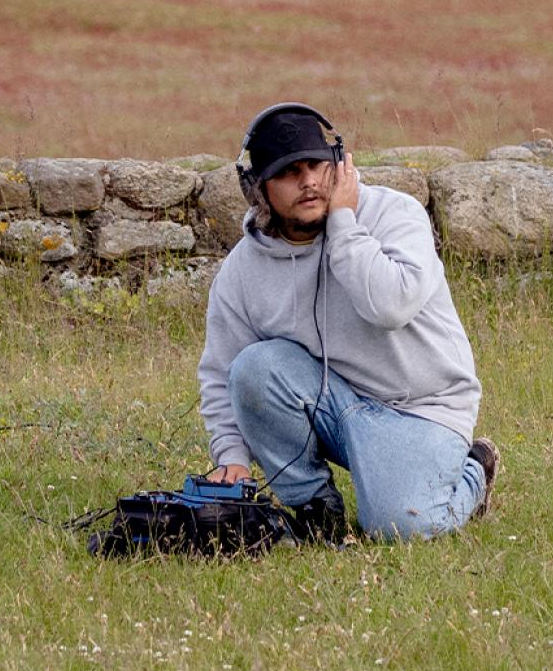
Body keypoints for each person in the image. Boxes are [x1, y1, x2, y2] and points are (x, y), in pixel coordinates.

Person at [197, 103, 496, 542]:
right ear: (256, 188)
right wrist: (232, 457)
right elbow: (222, 374)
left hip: (423, 409)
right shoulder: (242, 270)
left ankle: (474, 471)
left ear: (341, 164)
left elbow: (391, 307)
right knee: (253, 368)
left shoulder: (396, 215)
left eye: (317, 164)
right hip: (335, 405)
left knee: (400, 526)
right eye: (288, 172)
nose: (309, 181)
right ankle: (316, 506)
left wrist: (344, 223)